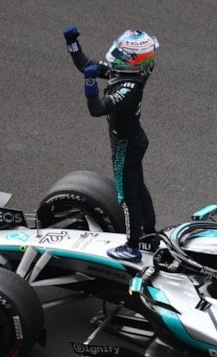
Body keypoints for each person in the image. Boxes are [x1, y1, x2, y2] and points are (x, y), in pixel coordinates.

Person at [63, 25, 159, 261]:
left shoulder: (130, 88)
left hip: (125, 145)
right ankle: (149, 235)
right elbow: (86, 64)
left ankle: (132, 247)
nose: (116, 57)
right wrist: (72, 44)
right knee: (138, 189)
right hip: (134, 139)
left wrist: (90, 84)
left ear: (133, 61)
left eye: (122, 54)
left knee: (126, 197)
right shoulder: (129, 71)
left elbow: (97, 109)